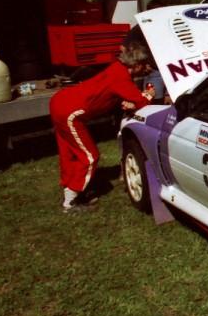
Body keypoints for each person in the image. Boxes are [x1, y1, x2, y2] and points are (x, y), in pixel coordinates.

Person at [50, 35, 155, 212]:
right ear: (136, 65)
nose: (146, 69)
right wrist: (149, 94)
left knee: (70, 153)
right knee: (90, 156)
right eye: (144, 65)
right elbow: (141, 100)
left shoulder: (117, 68)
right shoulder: (121, 77)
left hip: (61, 103)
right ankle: (70, 202)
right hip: (71, 112)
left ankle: (71, 191)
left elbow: (115, 95)